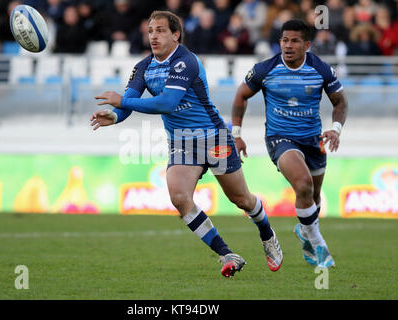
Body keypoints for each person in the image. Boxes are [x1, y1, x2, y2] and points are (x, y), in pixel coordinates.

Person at [90, 10, 283, 278]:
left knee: (242, 199)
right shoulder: (144, 67)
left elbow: (165, 103)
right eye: (150, 31)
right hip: (182, 142)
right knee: (179, 197)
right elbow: (129, 103)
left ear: (176, 34)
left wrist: (121, 102)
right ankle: (227, 254)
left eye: (160, 30)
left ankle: (266, 233)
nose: (153, 36)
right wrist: (114, 115)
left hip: (213, 138)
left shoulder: (186, 62)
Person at [230, 19, 348, 269]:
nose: (288, 45)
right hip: (280, 138)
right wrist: (237, 134)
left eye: (295, 41)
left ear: (307, 45)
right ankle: (318, 244)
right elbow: (241, 95)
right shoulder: (265, 69)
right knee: (303, 183)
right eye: (284, 40)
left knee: (313, 197)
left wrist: (336, 129)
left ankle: (304, 231)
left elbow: (340, 102)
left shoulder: (321, 69)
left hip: (313, 139)